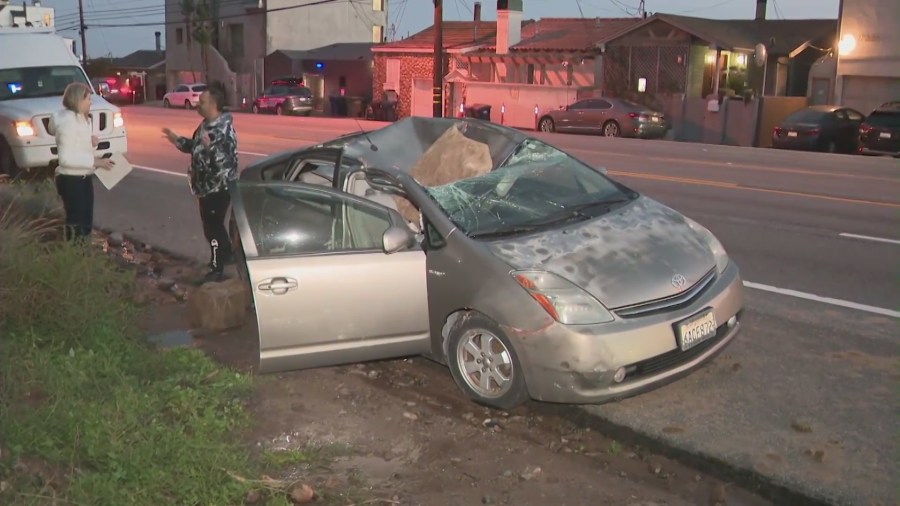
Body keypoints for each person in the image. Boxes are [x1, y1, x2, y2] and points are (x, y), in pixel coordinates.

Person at [162, 85, 238, 284]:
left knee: (213, 229)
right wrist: (177, 140)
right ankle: (226, 255)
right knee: (214, 227)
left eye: (201, 102)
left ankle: (216, 267)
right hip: (204, 187)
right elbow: (194, 147)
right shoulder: (206, 125)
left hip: (217, 188)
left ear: (213, 105)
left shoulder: (223, 130)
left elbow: (226, 162)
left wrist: (210, 148)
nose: (197, 104)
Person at [50, 82, 115, 241]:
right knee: (77, 225)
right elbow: (66, 159)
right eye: (88, 98)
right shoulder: (68, 122)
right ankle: (74, 256)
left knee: (84, 223)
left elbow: (75, 145)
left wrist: (89, 140)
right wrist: (95, 162)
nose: (90, 102)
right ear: (78, 100)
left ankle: (80, 255)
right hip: (72, 180)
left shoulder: (80, 119)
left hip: (82, 177)